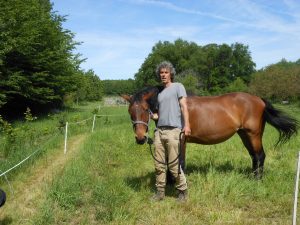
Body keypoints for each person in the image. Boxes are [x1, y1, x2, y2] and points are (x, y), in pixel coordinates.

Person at [151, 61, 191, 202]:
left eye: (166, 72)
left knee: (174, 165)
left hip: (173, 131)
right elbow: (161, 114)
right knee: (159, 164)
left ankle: (183, 191)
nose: (163, 75)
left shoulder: (178, 87)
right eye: (161, 73)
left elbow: (184, 106)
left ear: (171, 74)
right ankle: (160, 192)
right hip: (159, 131)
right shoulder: (160, 93)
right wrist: (154, 116)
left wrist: (187, 125)